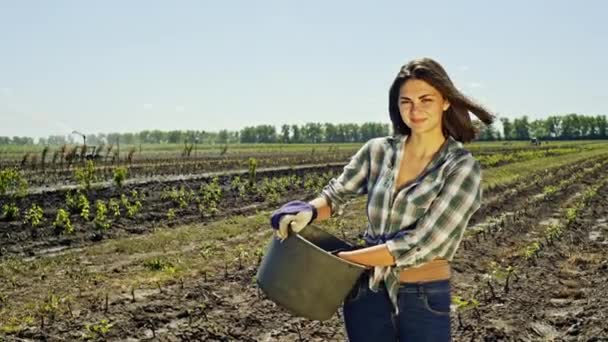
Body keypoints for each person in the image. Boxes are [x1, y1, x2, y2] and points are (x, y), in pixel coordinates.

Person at [270, 57, 495, 341]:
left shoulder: (461, 168)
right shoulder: (378, 151)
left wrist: (341, 261)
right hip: (367, 292)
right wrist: (308, 211)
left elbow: (422, 244)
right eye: (406, 102)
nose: (415, 110)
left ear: (445, 102)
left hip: (422, 295)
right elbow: (335, 195)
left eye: (426, 99)